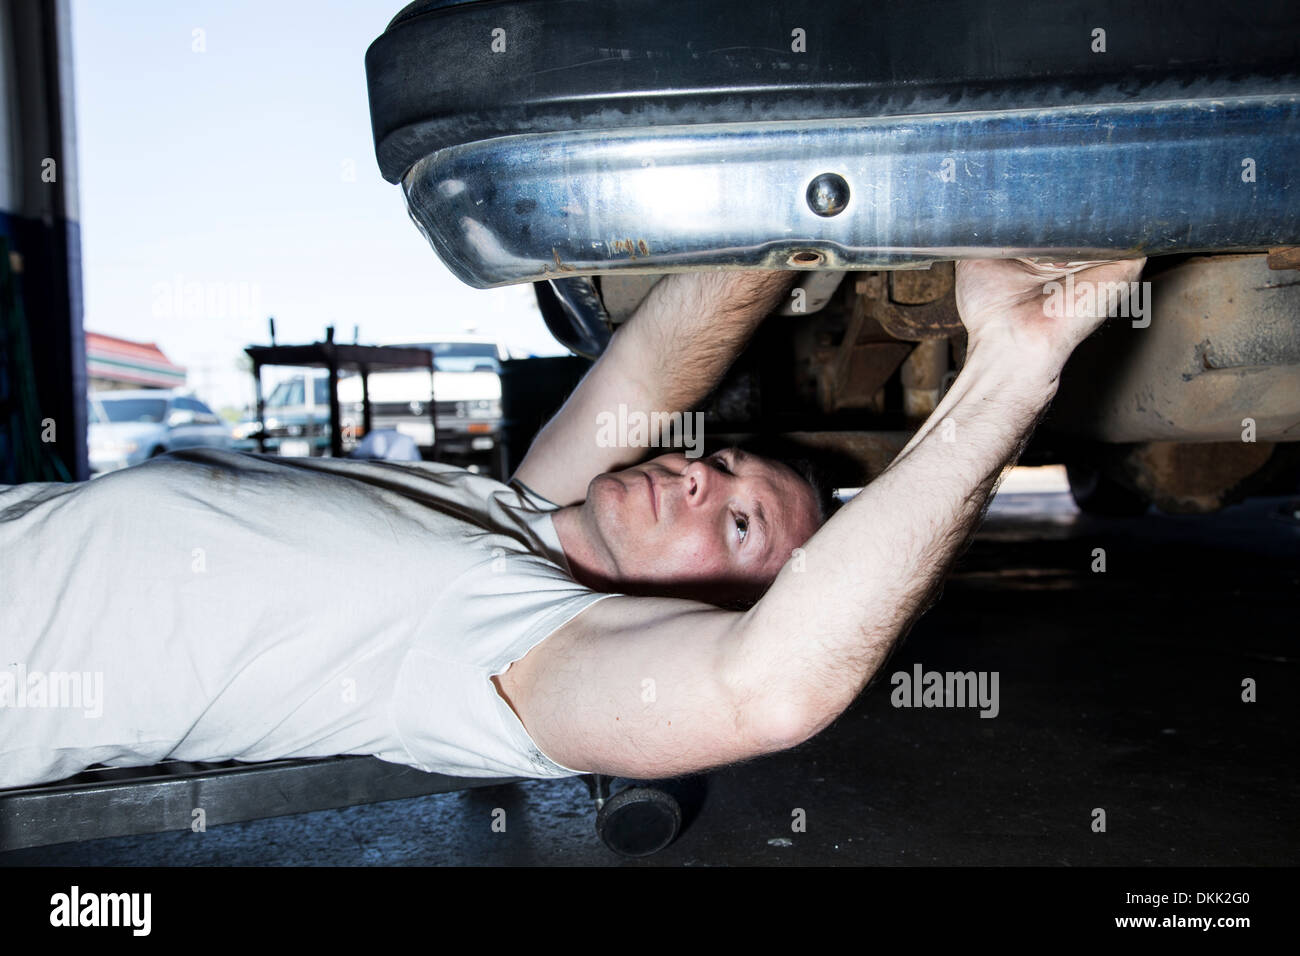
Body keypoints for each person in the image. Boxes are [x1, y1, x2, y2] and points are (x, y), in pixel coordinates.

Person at [0, 256, 1143, 788]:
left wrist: (1017, 364)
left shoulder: (508, 654)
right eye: (722, 468)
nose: (697, 479)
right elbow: (656, 355)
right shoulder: (521, 513)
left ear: (710, 610)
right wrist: (811, 200)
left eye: (739, 529)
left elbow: (768, 690)